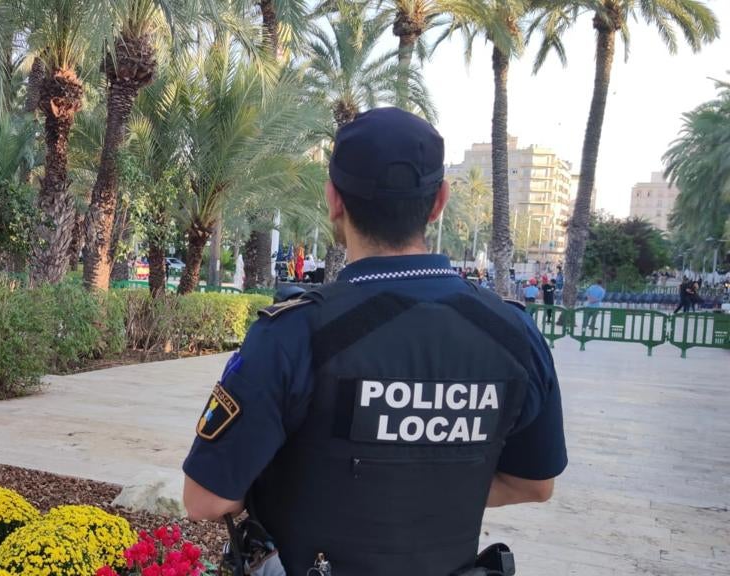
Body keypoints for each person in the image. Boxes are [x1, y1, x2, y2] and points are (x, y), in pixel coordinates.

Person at [182, 108, 567, 576]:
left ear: (333, 200)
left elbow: (205, 499)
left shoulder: (293, 334)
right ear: (439, 202)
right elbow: (534, 484)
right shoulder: (514, 334)